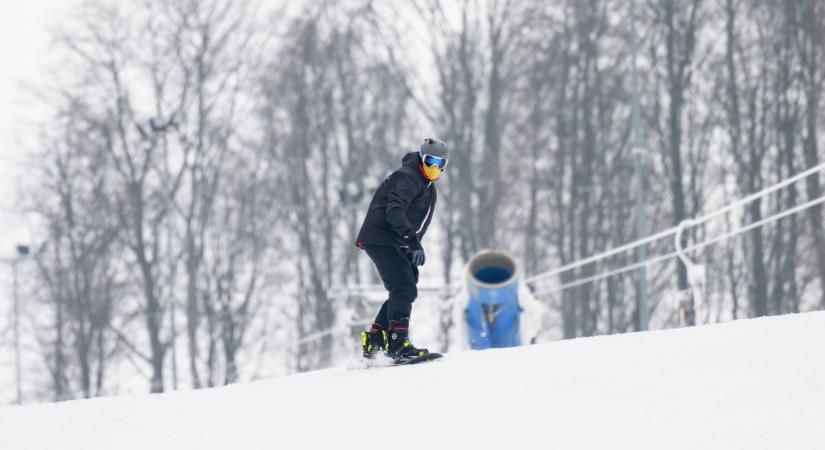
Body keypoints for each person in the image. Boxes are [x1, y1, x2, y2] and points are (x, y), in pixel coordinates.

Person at [355, 138, 448, 362]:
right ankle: (397, 344)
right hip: (382, 236)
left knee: (405, 287)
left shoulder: (427, 186)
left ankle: (375, 342)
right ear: (421, 159)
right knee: (403, 287)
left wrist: (410, 247)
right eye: (430, 161)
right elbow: (394, 210)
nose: (434, 168)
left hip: (392, 240)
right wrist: (412, 242)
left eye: (439, 163)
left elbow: (417, 219)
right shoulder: (408, 177)